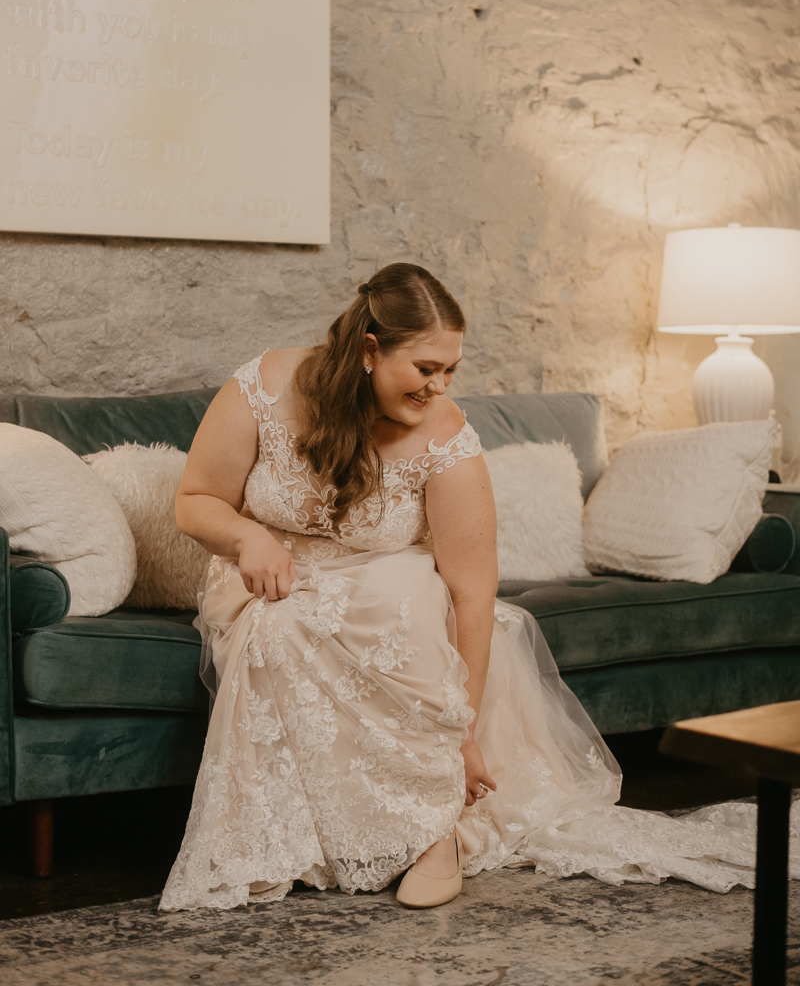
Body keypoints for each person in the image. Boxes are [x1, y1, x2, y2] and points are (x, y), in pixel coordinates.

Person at [160, 263, 796, 913]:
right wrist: (248, 538)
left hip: (387, 578)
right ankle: (315, 839)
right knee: (282, 625)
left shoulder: (444, 435)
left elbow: (471, 588)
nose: (439, 386)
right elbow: (196, 501)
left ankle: (437, 829)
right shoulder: (265, 386)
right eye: (426, 367)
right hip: (272, 576)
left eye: (450, 370)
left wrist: (462, 734)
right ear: (370, 351)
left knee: (401, 596)